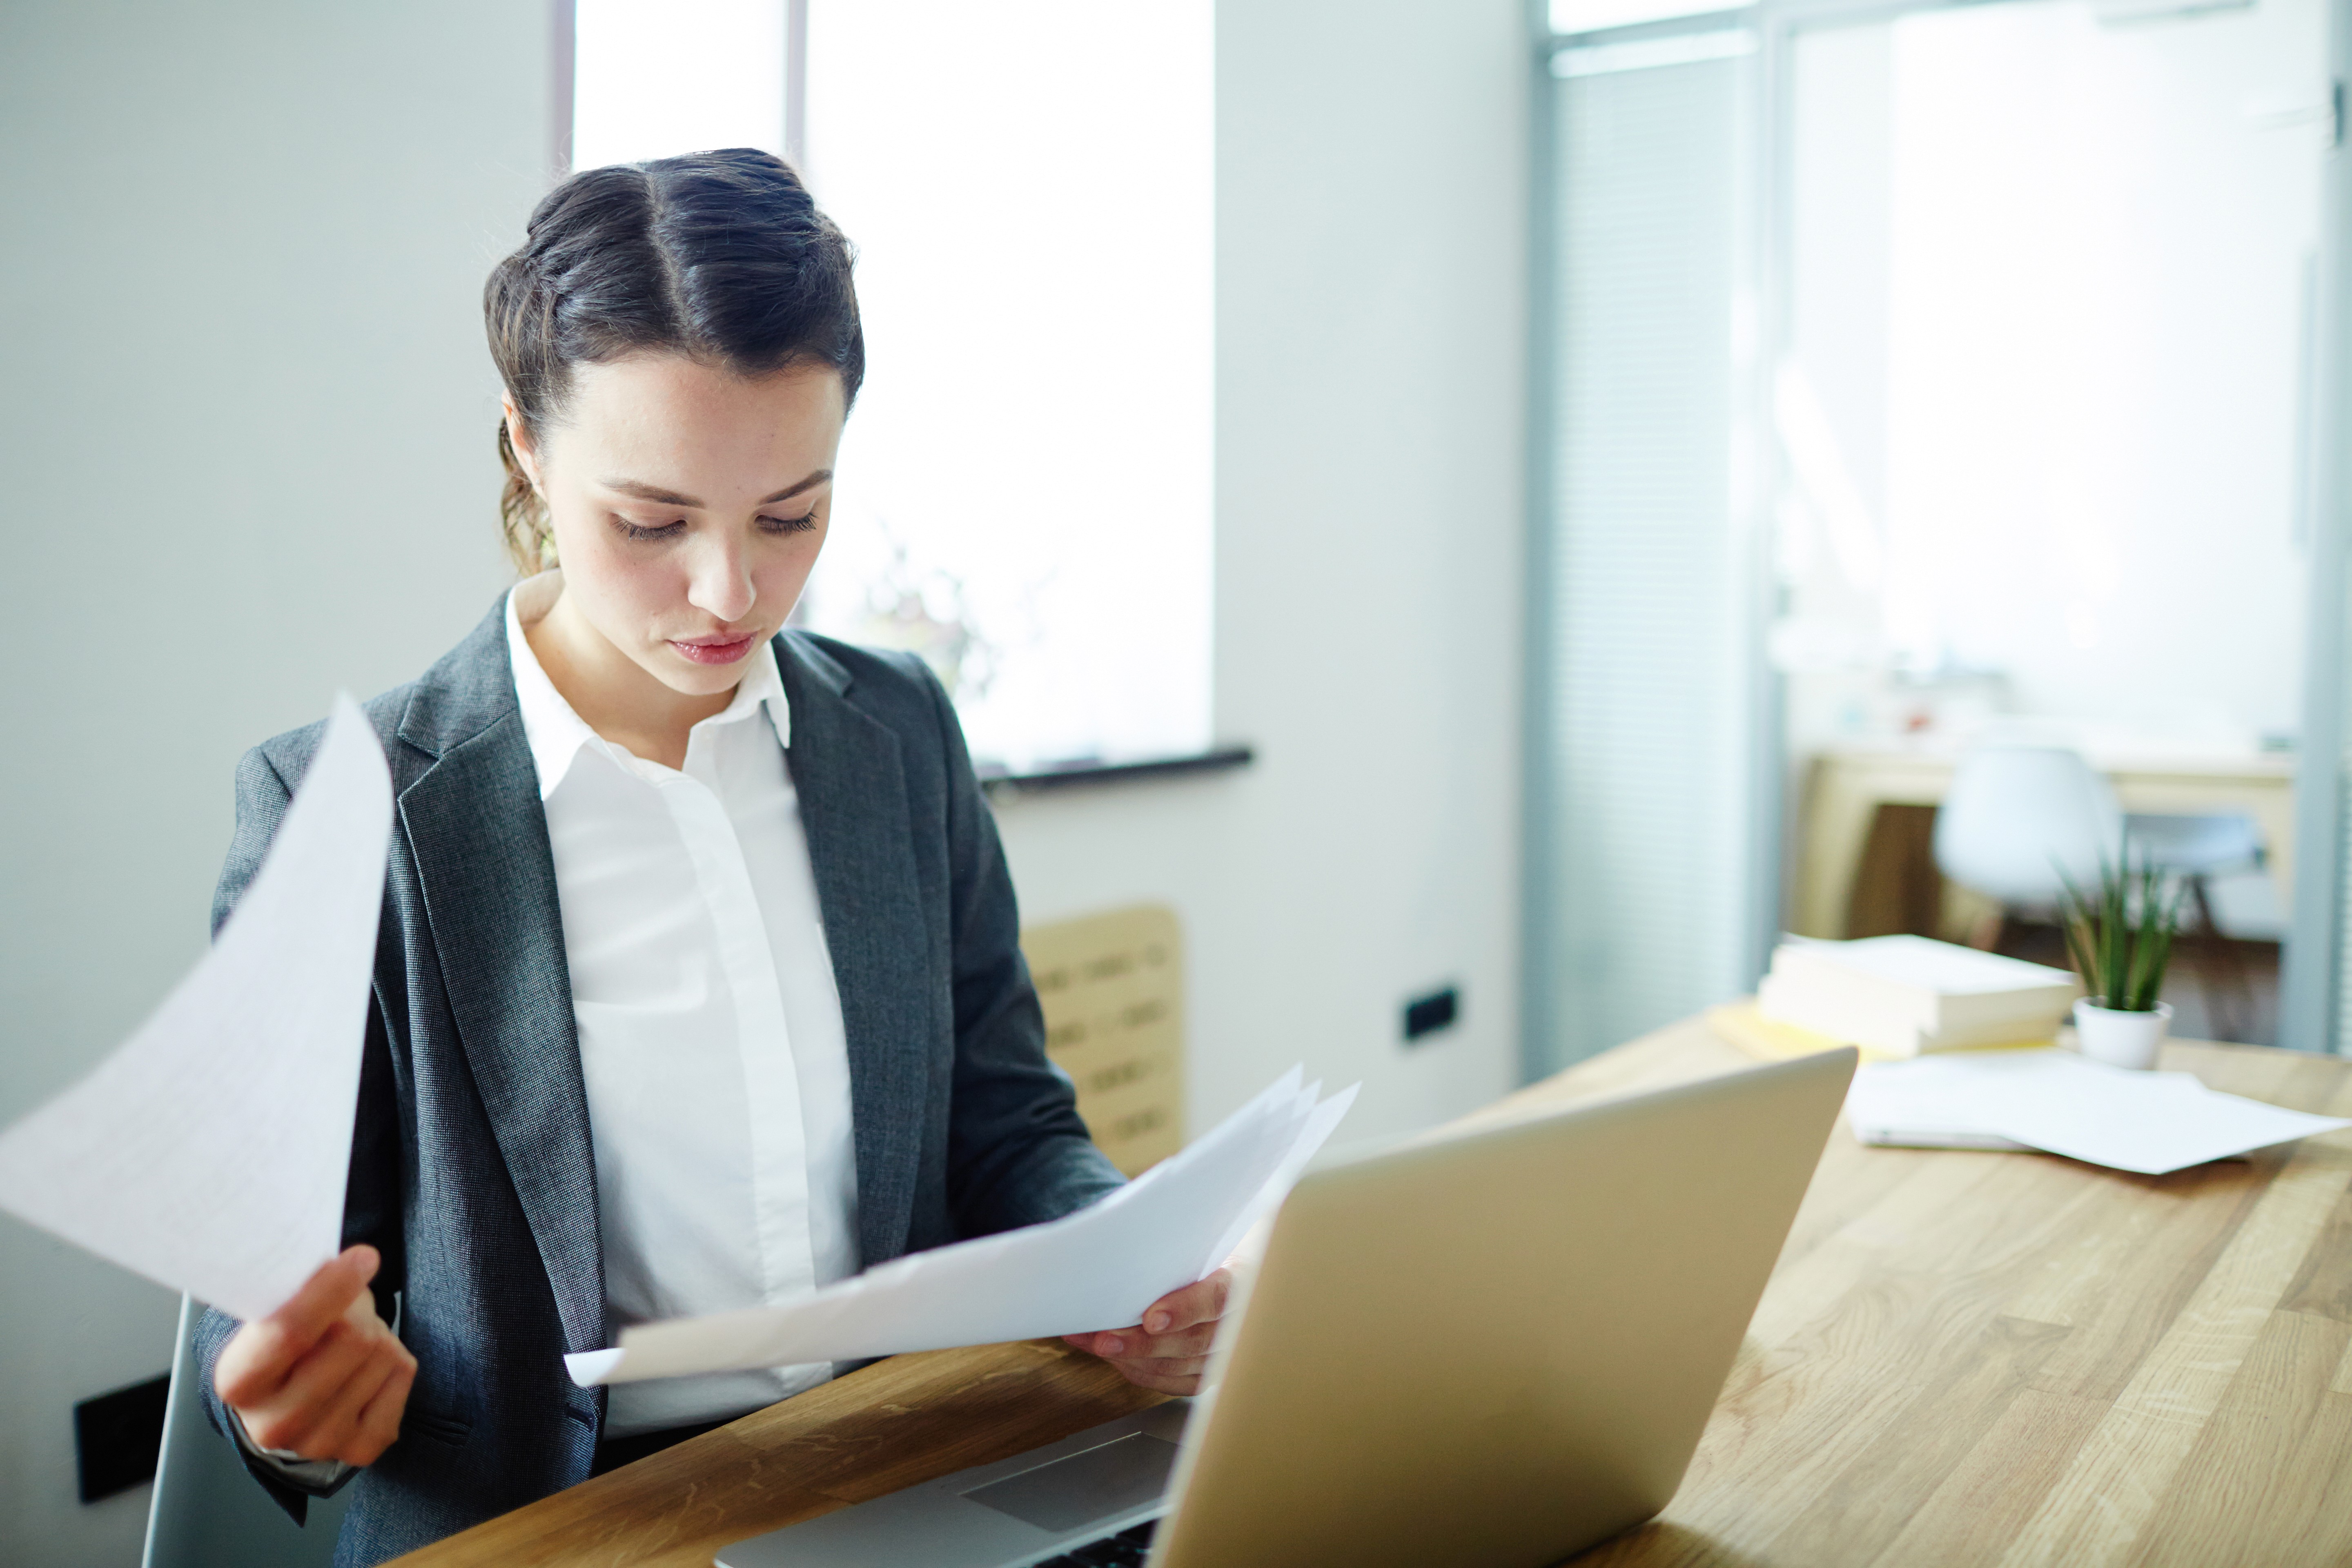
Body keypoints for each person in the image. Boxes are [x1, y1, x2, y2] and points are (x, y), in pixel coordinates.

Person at [194, 148, 1227, 1566]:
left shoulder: (897, 732)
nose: (730, 594)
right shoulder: (342, 813)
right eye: (653, 521)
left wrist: (1126, 1261)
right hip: (556, 1521)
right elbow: (284, 1311)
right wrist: (292, 1407)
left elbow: (1010, 1129)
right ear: (526, 450)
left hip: (903, 1471)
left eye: (791, 516)